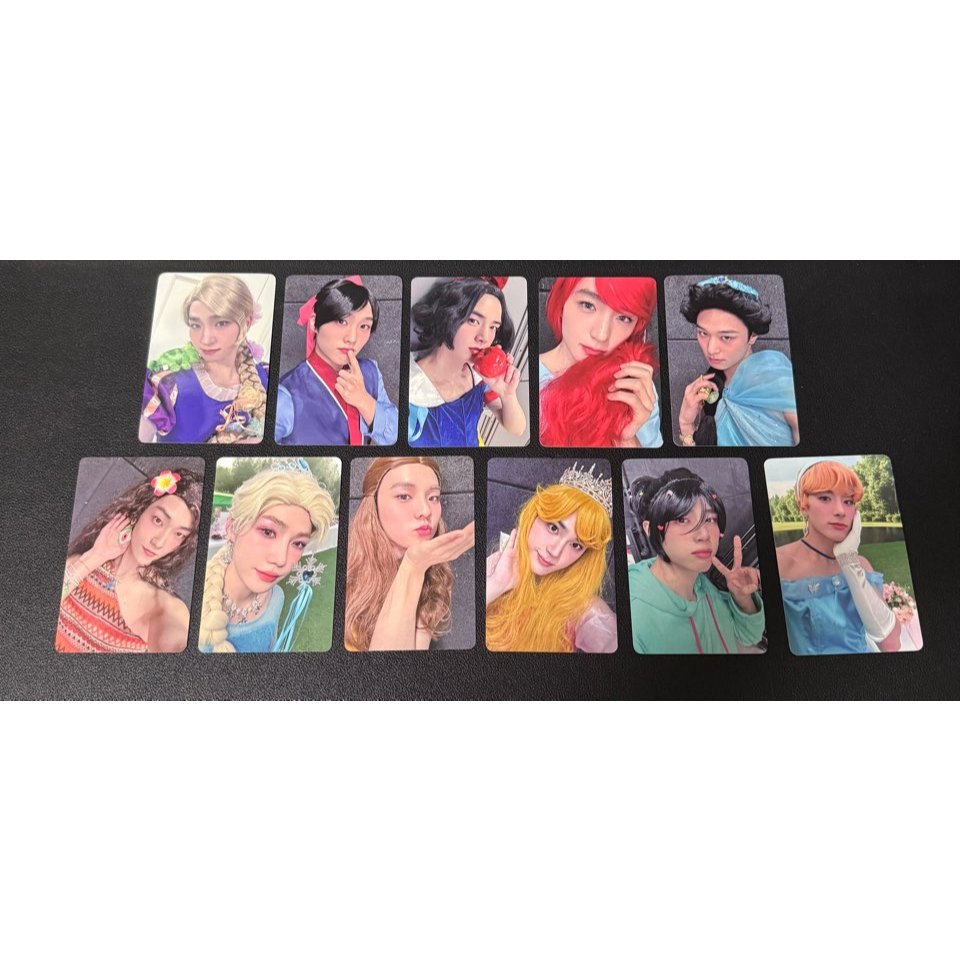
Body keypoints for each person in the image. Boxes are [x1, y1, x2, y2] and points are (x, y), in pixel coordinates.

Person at [56, 467, 203, 653]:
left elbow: (177, 638)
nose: (159, 542)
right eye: (158, 520)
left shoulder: (163, 607)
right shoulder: (85, 562)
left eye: (179, 534)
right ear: (139, 510)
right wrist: (97, 555)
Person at [197, 460, 336, 653]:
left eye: (298, 543)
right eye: (268, 532)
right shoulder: (190, 603)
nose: (281, 559)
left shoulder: (277, 598)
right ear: (232, 528)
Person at [627, 468, 765, 654]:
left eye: (710, 518)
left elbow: (748, 636)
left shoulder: (702, 586)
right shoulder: (635, 618)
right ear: (650, 529)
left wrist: (742, 598)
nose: (704, 534)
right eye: (682, 519)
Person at [345, 457, 474, 651]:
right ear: (373, 504)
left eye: (433, 498)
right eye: (404, 496)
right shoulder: (344, 578)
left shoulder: (435, 581)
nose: (425, 510)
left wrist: (416, 566)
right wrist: (413, 567)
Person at [486, 464, 617, 653]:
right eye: (553, 528)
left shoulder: (584, 611)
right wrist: (497, 584)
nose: (555, 551)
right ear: (533, 515)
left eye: (576, 545)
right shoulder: (496, 566)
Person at [776, 460, 903, 655]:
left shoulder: (861, 565)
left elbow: (891, 644)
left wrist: (848, 561)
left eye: (848, 501)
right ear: (803, 505)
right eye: (825, 498)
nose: (840, 511)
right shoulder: (780, 563)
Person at [141, 274, 269, 444]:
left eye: (220, 323)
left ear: (247, 322)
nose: (205, 339)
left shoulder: (265, 377)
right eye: (196, 325)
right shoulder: (167, 383)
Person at [539, 276, 662, 448]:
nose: (601, 335)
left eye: (624, 318)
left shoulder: (634, 386)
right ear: (562, 299)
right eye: (588, 305)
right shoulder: (521, 382)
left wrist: (626, 438)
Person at [676, 276, 798, 447]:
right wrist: (686, 424)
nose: (711, 349)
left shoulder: (777, 381)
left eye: (726, 337)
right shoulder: (712, 384)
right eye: (703, 333)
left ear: (753, 336)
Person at [275, 276, 399, 445]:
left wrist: (363, 400)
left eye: (364, 326)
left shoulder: (371, 371)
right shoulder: (286, 395)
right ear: (314, 322)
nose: (352, 338)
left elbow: (395, 435)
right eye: (341, 321)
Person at [408, 276, 526, 447]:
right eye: (473, 321)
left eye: (493, 327)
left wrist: (507, 395)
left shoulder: (478, 376)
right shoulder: (410, 389)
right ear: (448, 315)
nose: (485, 337)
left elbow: (517, 429)